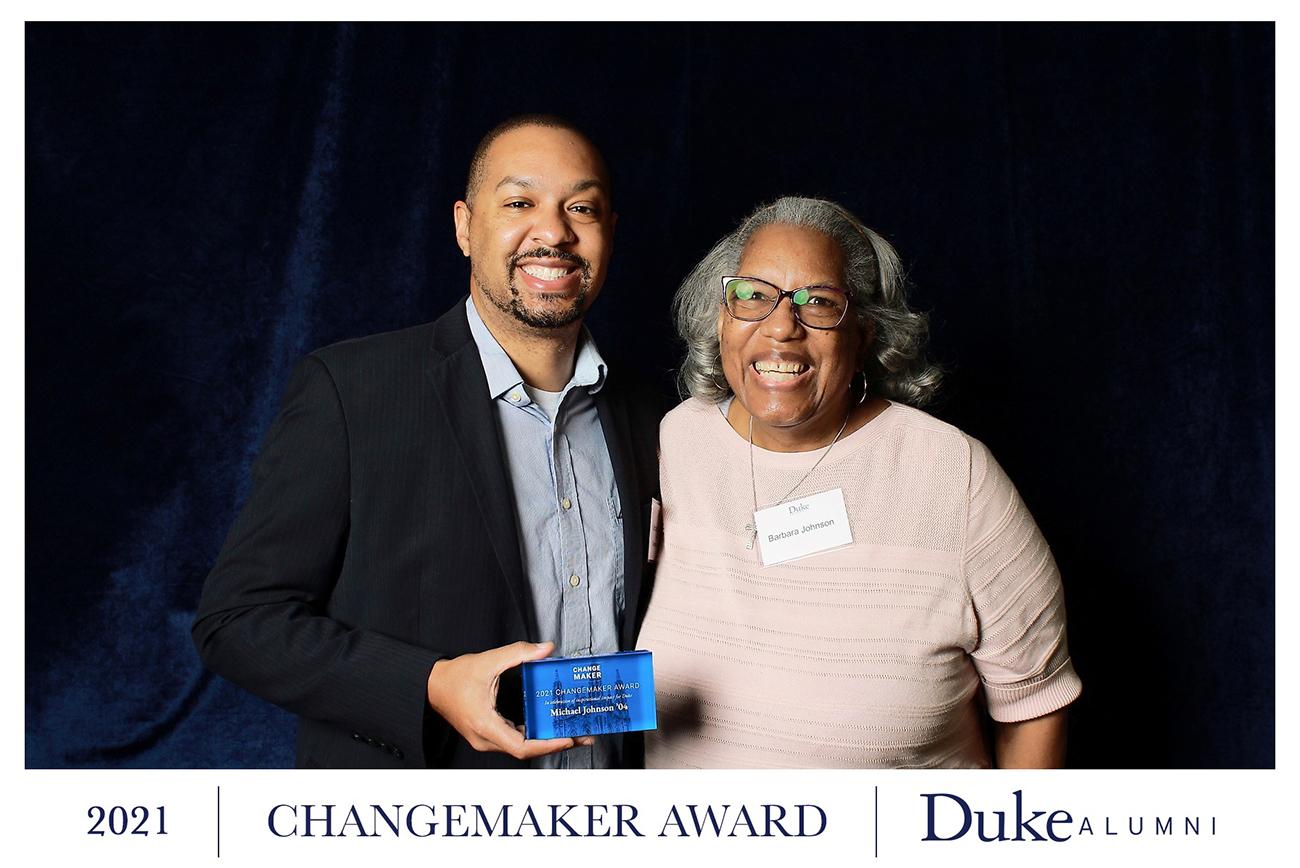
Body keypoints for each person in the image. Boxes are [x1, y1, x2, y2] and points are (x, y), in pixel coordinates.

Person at [193, 115, 662, 769]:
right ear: (466, 226)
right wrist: (431, 684)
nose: (553, 233)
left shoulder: (659, 416)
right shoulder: (351, 393)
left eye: (580, 208)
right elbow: (238, 622)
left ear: (610, 233)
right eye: (520, 203)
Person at [637, 196, 1081, 768]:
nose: (780, 328)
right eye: (752, 296)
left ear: (865, 334)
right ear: (721, 317)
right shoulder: (671, 444)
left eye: (817, 302)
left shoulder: (955, 475)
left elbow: (1036, 706)